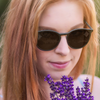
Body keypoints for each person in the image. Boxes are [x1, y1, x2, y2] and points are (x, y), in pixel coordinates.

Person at [0, 0, 100, 100]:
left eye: (76, 34)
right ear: (21, 38)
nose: (64, 51)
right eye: (47, 37)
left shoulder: (95, 90)